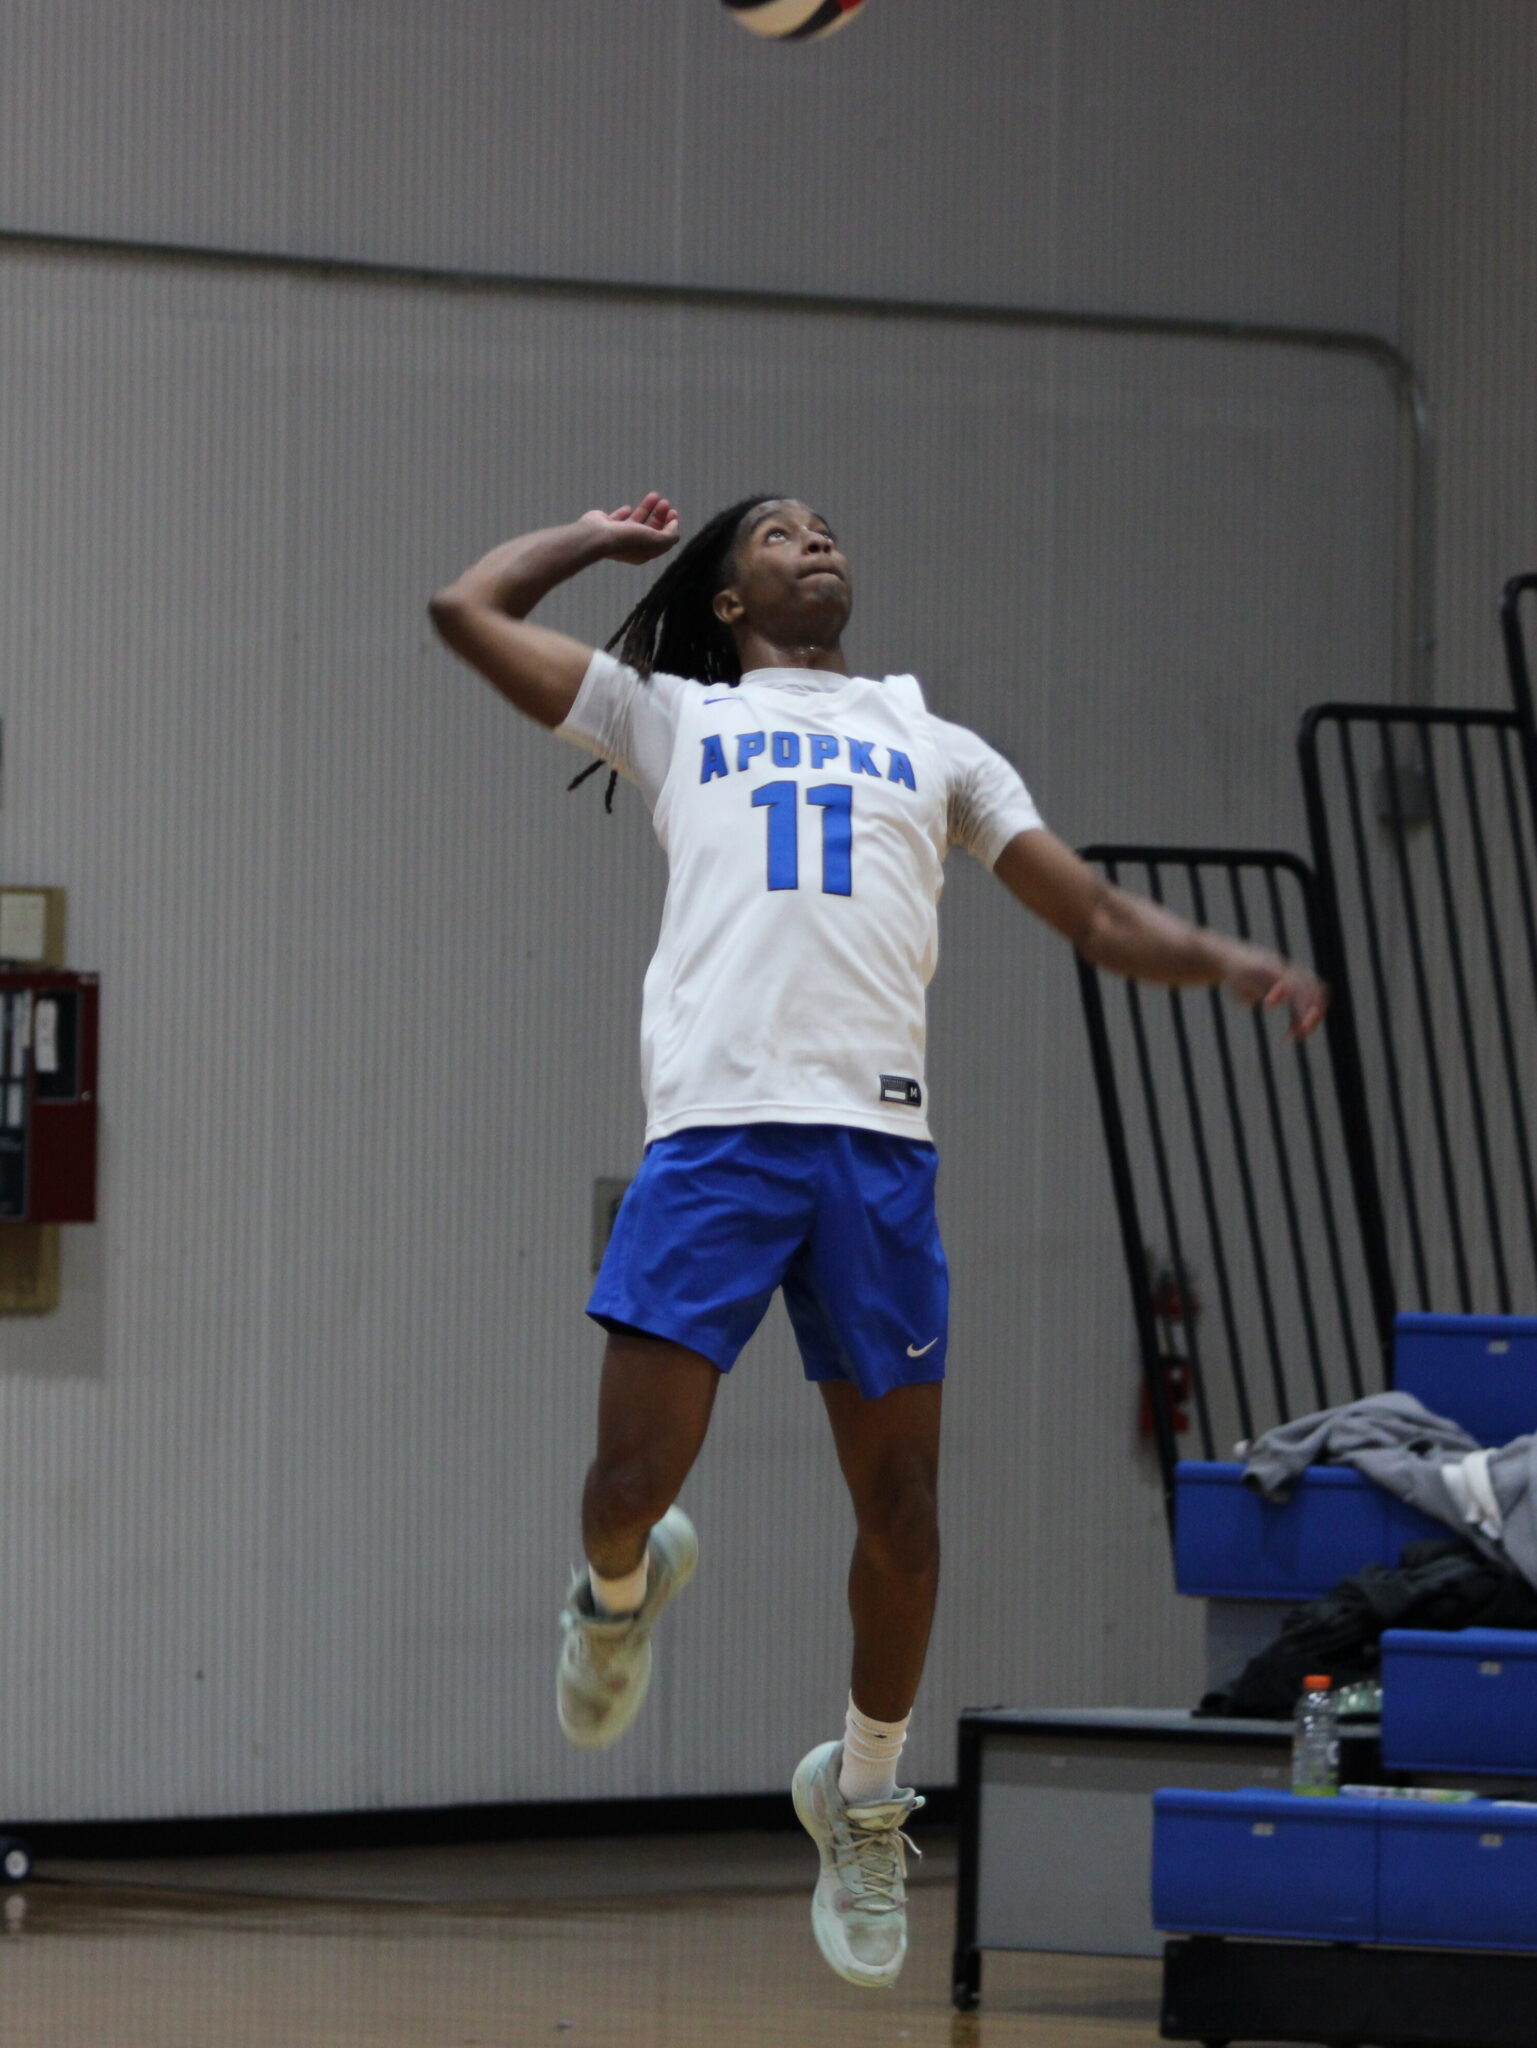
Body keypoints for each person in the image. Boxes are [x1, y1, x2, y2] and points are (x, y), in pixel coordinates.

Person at [429, 492, 1327, 1990]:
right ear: (727, 596)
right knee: (626, 1487)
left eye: (826, 527)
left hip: (875, 1153)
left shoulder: (937, 744)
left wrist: (1227, 961)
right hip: (717, 1140)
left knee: (903, 1508)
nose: (814, 540)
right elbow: (466, 613)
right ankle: (617, 1591)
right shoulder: (675, 717)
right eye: (778, 533)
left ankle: (858, 1796)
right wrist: (591, 538)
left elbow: (1096, 917)